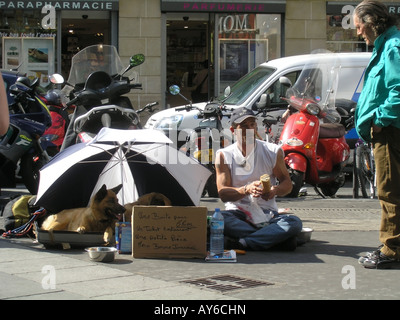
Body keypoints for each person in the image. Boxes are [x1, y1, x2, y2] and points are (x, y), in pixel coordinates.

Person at [215, 107, 303, 251]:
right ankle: (276, 239)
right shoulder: (224, 155)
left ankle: (244, 242)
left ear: (256, 126)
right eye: (243, 126)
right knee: (219, 219)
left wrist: (275, 190)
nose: (249, 129)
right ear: (233, 130)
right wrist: (246, 189)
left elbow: (287, 184)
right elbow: (223, 194)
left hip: (267, 214)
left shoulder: (272, 151)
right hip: (238, 213)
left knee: (294, 222)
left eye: (252, 124)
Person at [354, 0, 400, 269]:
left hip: (390, 131)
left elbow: (397, 91)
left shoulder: (392, 47)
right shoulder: (388, 45)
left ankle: (391, 250)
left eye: (360, 27)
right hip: (388, 129)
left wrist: (380, 120)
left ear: (371, 23)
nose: (359, 33)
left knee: (388, 189)